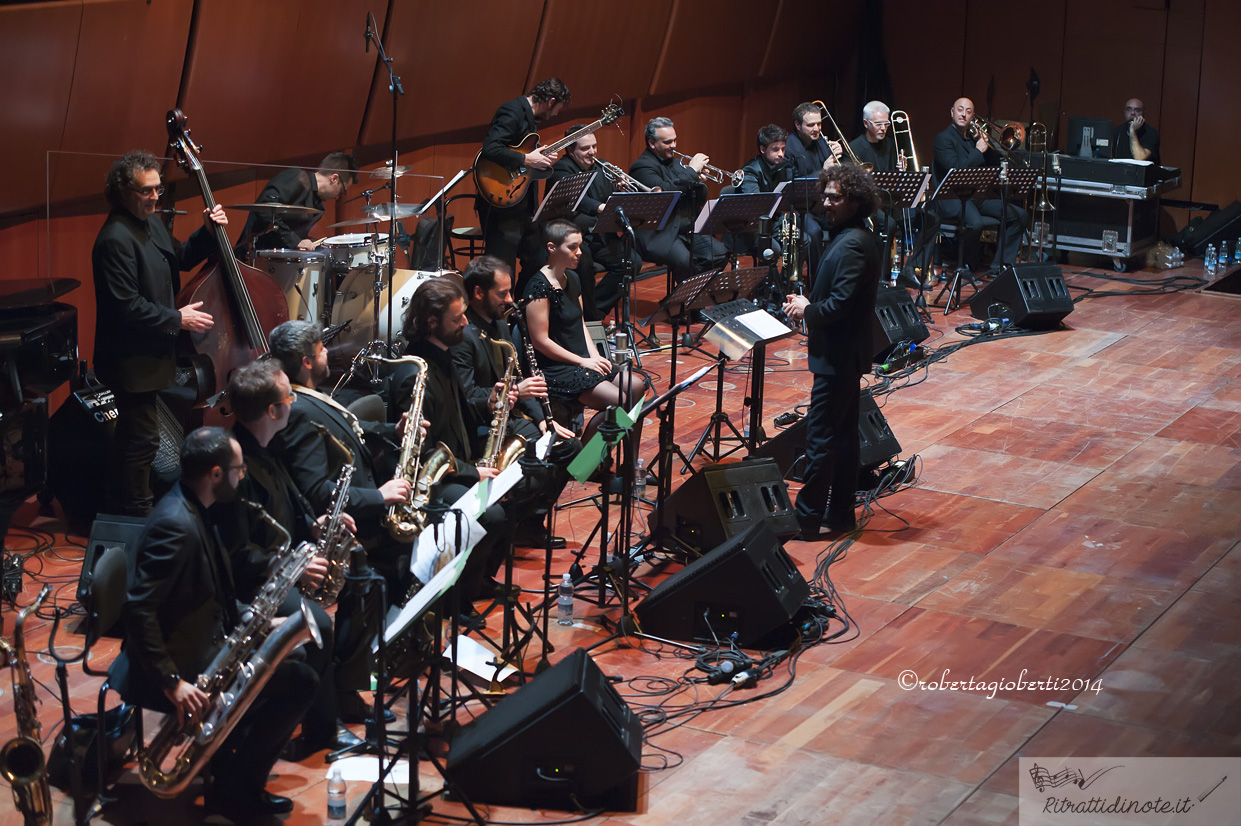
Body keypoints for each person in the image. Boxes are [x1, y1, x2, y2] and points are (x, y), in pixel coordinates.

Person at [109, 427, 317, 816]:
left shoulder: (197, 509)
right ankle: (238, 789)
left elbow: (208, 595)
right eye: (239, 470)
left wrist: (255, 626)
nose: (243, 477)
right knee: (301, 683)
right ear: (216, 474)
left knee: (294, 669)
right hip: (173, 666)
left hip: (202, 639)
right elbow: (138, 611)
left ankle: (231, 778)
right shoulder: (176, 525)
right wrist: (173, 683)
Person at [217, 361, 366, 750]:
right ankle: (322, 728)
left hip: (285, 566)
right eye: (290, 396)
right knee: (318, 624)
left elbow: (288, 508)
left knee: (361, 577)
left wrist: (314, 525)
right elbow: (236, 555)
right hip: (255, 583)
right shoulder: (238, 468)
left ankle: (343, 693)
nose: (295, 401)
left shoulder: (268, 447)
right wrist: (295, 568)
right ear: (273, 411)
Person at [267, 320, 411, 717]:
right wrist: (378, 497)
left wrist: (392, 429)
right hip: (342, 527)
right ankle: (347, 687)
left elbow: (348, 426)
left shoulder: (310, 396)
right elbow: (317, 489)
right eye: (322, 350)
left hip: (360, 511)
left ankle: (380, 655)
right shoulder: (295, 410)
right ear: (306, 361)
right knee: (373, 582)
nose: (329, 354)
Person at [92, 150, 223, 517]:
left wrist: (208, 233)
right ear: (123, 191)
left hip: (151, 354)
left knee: (135, 440)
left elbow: (178, 256)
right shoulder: (115, 239)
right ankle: (136, 514)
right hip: (130, 359)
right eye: (146, 191)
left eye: (158, 190)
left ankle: (121, 507)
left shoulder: (149, 224)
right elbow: (125, 306)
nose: (154, 197)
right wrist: (176, 319)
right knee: (143, 441)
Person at [396, 277, 511, 614]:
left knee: (513, 489)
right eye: (457, 318)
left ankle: (478, 581)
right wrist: (471, 470)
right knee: (490, 514)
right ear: (431, 323)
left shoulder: (442, 355)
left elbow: (458, 412)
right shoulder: (415, 373)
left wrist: (490, 402)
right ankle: (453, 600)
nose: (465, 322)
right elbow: (421, 453)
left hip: (456, 463)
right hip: (429, 482)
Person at [782, 165, 882, 541]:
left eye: (835, 197)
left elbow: (839, 305)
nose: (826, 202)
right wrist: (809, 301)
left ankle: (806, 520)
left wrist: (805, 310)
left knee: (822, 439)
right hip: (844, 354)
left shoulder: (854, 243)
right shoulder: (850, 235)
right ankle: (840, 513)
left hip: (838, 356)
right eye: (825, 194)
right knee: (843, 438)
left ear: (855, 201)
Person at [454, 255, 580, 547]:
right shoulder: (462, 335)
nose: (510, 299)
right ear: (477, 293)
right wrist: (513, 391)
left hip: (513, 420)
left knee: (569, 447)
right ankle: (506, 526)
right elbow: (467, 395)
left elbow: (522, 378)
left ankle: (529, 522)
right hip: (483, 427)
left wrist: (544, 422)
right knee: (540, 463)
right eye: (503, 293)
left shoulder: (499, 325)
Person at [523, 220, 644, 415]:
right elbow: (540, 341)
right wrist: (582, 361)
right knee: (619, 401)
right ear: (552, 248)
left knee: (636, 387)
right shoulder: (539, 287)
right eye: (572, 247)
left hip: (583, 359)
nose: (579, 252)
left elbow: (580, 323)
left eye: (579, 246)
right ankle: (591, 447)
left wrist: (595, 356)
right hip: (558, 366)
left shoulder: (573, 278)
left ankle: (630, 447)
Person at [476, 78, 571, 291]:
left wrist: (541, 158)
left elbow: (518, 150)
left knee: (539, 257)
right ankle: (503, 317)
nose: (556, 115)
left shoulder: (529, 117)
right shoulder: (512, 110)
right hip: (502, 206)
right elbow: (491, 148)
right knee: (502, 269)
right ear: (550, 101)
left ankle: (521, 302)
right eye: (557, 109)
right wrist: (528, 160)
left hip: (523, 205)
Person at [550, 128, 641, 320]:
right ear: (571, 151)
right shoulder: (561, 169)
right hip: (572, 236)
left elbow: (611, 201)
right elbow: (574, 198)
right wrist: (600, 207)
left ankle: (594, 313)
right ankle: (588, 317)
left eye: (594, 146)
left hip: (598, 234)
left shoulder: (602, 167)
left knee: (632, 262)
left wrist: (620, 189)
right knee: (584, 265)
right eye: (585, 148)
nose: (592, 152)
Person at [628, 117, 728, 284]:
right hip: (659, 233)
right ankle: (689, 302)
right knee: (684, 262)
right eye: (668, 142)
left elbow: (698, 200)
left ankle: (683, 297)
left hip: (686, 229)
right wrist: (690, 173)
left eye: (675, 140)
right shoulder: (642, 167)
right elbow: (664, 195)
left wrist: (698, 182)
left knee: (719, 254)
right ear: (652, 143)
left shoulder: (676, 163)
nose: (674, 145)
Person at [931, 97, 1029, 270]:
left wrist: (987, 143)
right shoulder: (943, 139)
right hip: (952, 197)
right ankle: (967, 264)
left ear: (973, 116)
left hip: (976, 197)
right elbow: (956, 170)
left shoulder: (971, 139)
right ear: (952, 112)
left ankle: (1001, 265)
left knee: (1019, 216)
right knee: (975, 224)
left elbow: (993, 164)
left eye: (969, 112)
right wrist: (977, 150)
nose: (963, 115)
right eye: (960, 110)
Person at [848, 100, 940, 276]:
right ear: (866, 123)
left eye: (886, 123)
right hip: (870, 206)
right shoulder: (854, 148)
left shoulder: (891, 144)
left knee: (931, 218)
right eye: (878, 124)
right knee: (889, 224)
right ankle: (881, 276)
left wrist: (901, 172)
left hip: (892, 202)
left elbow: (896, 181)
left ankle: (912, 267)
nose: (883, 128)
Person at [234, 151, 358, 258]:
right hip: (254, 258)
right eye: (342, 191)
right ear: (334, 178)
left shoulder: (316, 203)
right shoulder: (295, 177)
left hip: (280, 262)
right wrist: (295, 241)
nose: (338, 197)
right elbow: (265, 209)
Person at [784, 103, 845, 278]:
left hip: (822, 205)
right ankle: (816, 280)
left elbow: (838, 172)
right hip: (801, 209)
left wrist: (841, 155)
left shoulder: (822, 143)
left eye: (819, 124)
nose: (817, 129)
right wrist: (822, 171)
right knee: (813, 232)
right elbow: (790, 185)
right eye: (811, 125)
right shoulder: (789, 148)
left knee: (851, 222)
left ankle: (839, 274)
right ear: (797, 125)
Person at [1112, 98, 1160, 164]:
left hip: (1145, 173)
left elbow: (1139, 158)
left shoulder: (1151, 133)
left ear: (1143, 113)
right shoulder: (1117, 131)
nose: (1132, 113)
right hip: (1121, 171)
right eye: (1128, 109)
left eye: (1137, 110)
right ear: (1124, 112)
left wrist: (1132, 131)